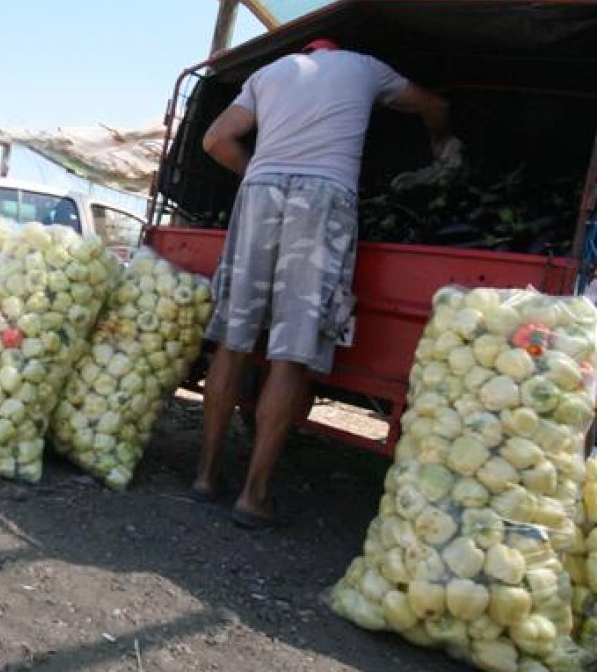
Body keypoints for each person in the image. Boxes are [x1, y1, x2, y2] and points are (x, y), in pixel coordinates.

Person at [192, 38, 462, 529]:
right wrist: (441, 141)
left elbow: (215, 141)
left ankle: (206, 478)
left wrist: (262, 172)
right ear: (335, 53)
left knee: (232, 340)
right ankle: (253, 496)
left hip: (258, 193)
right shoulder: (365, 65)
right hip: (324, 197)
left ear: (309, 53)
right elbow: (434, 104)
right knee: (291, 351)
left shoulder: (268, 73)